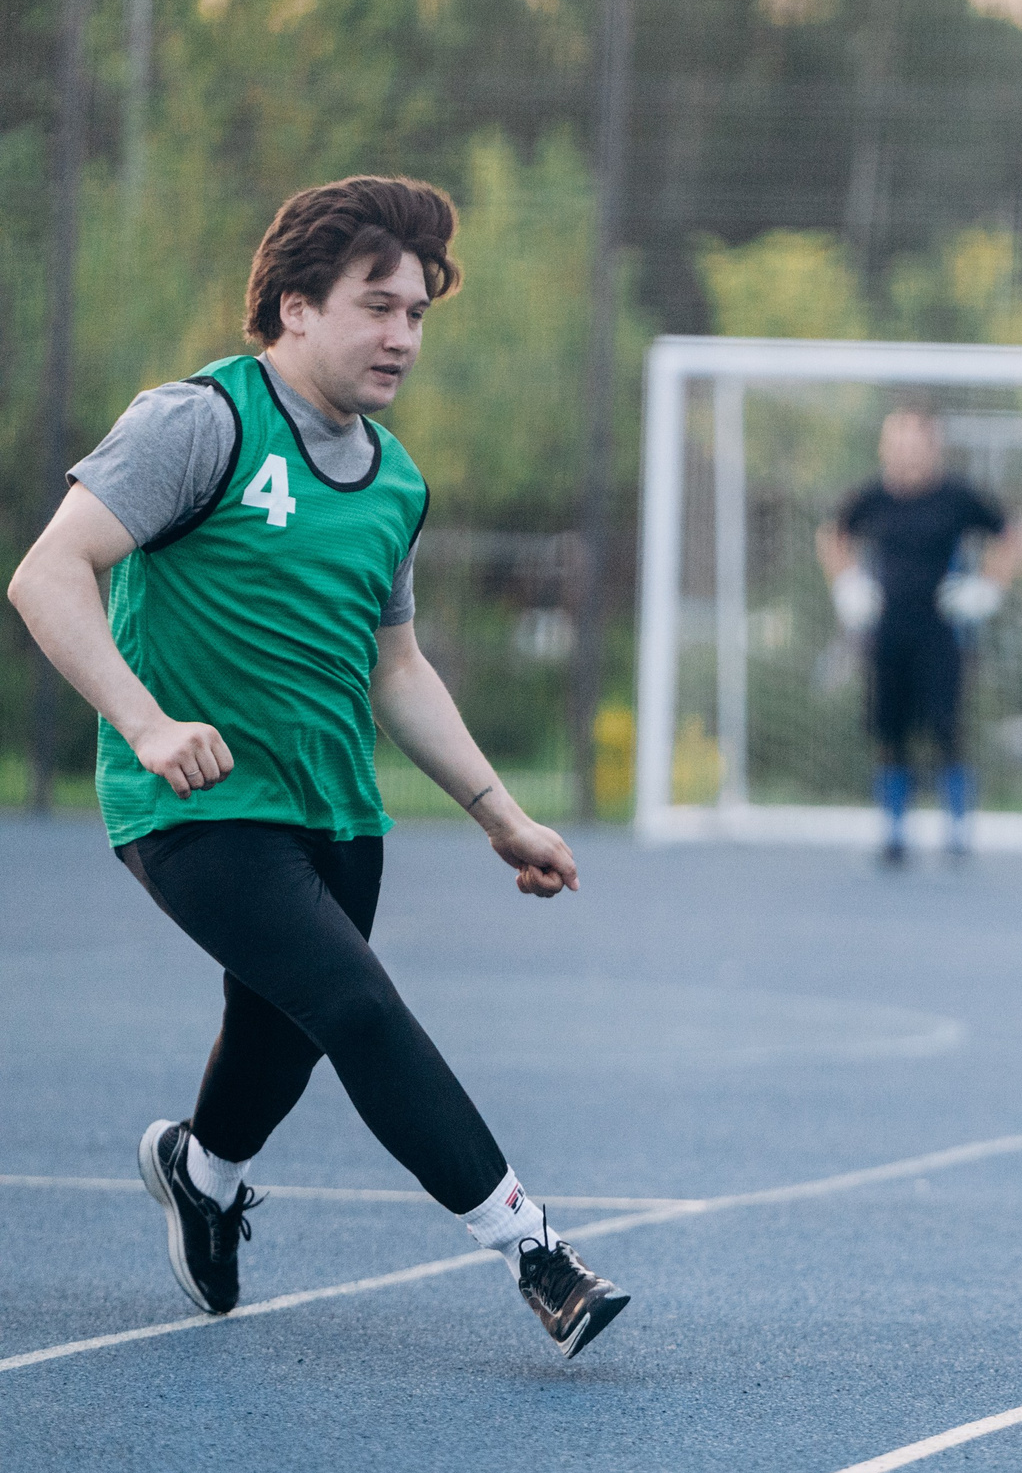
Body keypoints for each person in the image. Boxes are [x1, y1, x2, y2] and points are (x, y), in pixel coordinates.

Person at [5, 176, 630, 1356]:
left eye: (418, 313)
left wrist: (500, 813)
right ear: (293, 306)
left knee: (281, 1021)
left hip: (335, 808)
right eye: (376, 305)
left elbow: (397, 668)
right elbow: (47, 572)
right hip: (191, 801)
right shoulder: (203, 421)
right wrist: (146, 723)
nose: (402, 334)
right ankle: (535, 1249)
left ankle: (204, 1173)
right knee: (350, 1000)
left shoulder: (396, 479)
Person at [816, 407, 1017, 863]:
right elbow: (831, 536)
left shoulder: (958, 497)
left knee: (948, 729)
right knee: (890, 732)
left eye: (917, 442)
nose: (907, 451)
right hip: (887, 630)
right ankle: (893, 833)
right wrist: (847, 585)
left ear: (934, 447)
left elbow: (1014, 535)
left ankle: (958, 833)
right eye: (898, 441)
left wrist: (988, 588)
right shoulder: (871, 497)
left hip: (943, 632)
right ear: (885, 447)